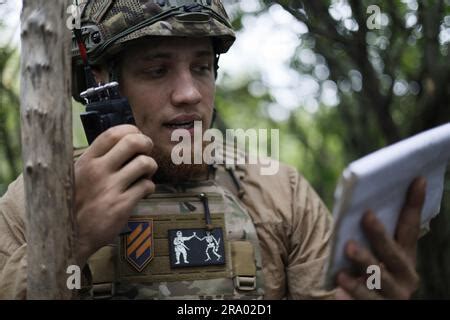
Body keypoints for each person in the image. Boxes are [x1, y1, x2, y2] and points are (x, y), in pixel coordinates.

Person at [0, 0, 425, 299]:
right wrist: (64, 242)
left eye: (201, 67)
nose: (189, 93)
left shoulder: (280, 193)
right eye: (157, 69)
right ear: (102, 83)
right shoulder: (36, 203)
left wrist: (373, 287)